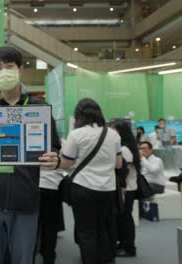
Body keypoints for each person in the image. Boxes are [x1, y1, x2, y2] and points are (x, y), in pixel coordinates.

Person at [0, 46, 60, 264]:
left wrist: (54, 159)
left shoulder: (40, 109)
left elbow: (55, 150)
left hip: (26, 199)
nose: (4, 72)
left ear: (20, 70)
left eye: (9, 66)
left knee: (24, 259)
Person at [59, 98, 123, 264]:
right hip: (108, 189)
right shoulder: (113, 134)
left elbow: (65, 164)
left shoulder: (76, 134)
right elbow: (119, 164)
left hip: (83, 187)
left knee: (86, 232)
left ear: (78, 114)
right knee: (102, 228)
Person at [110, 120, 141, 258]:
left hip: (127, 189)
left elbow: (126, 172)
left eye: (113, 130)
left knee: (126, 218)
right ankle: (123, 244)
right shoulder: (127, 147)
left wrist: (122, 190)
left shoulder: (125, 150)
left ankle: (129, 247)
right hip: (128, 188)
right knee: (123, 218)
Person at [38, 168, 65, 264]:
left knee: (31, 226)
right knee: (50, 226)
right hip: (53, 185)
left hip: (33, 185)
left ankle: (30, 255)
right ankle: (49, 257)